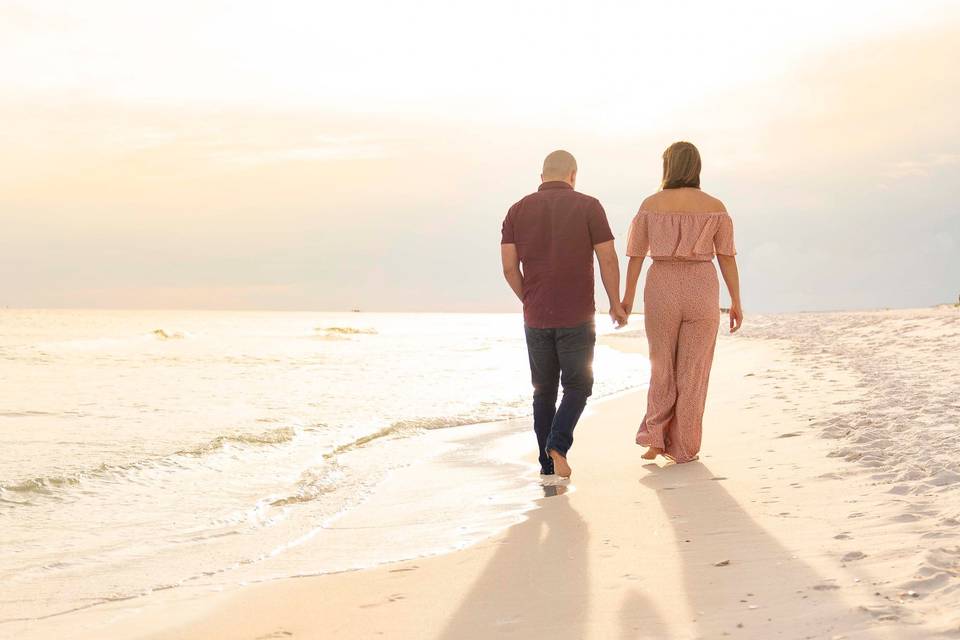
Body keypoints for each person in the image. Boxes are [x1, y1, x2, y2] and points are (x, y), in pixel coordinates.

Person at [501, 150, 627, 478]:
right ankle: (558, 444)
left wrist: (529, 298)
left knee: (543, 391)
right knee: (578, 385)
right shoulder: (589, 206)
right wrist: (616, 303)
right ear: (573, 175)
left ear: (541, 176)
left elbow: (509, 267)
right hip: (578, 314)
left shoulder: (516, 210)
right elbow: (608, 258)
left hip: (536, 316)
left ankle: (547, 466)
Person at [621, 141, 743, 463]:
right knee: (694, 371)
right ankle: (685, 447)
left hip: (662, 284)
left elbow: (635, 255)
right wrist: (736, 300)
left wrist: (626, 298)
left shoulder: (651, 204)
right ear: (697, 167)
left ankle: (656, 439)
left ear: (668, 167)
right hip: (702, 286)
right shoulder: (715, 206)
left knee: (661, 365)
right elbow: (726, 257)